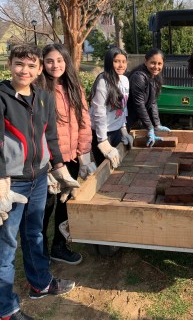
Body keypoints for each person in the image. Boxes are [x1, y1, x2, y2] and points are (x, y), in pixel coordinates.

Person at [0, 44, 76, 320]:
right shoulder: (2, 97)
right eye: (20, 64)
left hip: (39, 179)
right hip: (11, 184)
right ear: (10, 64)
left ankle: (40, 284)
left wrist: (60, 170)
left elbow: (51, 138)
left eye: (32, 66)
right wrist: (0, 184)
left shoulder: (43, 98)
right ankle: (6, 310)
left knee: (34, 235)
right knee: (6, 245)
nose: (25, 70)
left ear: (39, 69)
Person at [42, 43, 95, 265]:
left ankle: (59, 246)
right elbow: (38, 130)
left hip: (71, 158)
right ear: (43, 64)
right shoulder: (39, 89)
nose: (55, 65)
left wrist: (84, 155)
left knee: (65, 204)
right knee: (45, 208)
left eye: (60, 60)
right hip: (48, 163)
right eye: (50, 61)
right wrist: (49, 164)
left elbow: (84, 120)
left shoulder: (74, 87)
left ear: (67, 62)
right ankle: (40, 250)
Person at [90, 46, 132, 167]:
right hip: (102, 133)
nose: (121, 65)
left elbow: (123, 107)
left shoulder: (124, 80)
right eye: (116, 61)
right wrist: (102, 141)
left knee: (118, 166)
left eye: (123, 62)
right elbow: (99, 112)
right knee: (104, 169)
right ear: (109, 62)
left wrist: (123, 128)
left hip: (117, 130)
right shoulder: (103, 81)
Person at [127, 48, 170, 146]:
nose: (156, 67)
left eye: (159, 64)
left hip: (135, 119)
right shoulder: (139, 77)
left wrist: (157, 124)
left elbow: (153, 102)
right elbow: (139, 104)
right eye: (153, 63)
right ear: (145, 62)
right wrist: (150, 128)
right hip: (125, 119)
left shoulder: (154, 77)